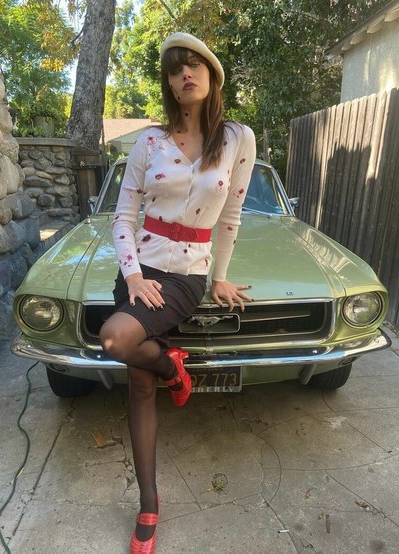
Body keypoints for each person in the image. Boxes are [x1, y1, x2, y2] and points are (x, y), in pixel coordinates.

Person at [99, 32, 256, 554]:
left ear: (211, 75)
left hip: (187, 275)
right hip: (139, 268)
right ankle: (149, 502)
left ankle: (171, 365)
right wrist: (133, 276)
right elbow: (124, 216)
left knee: (117, 340)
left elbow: (230, 216)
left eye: (194, 65)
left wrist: (219, 277)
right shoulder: (148, 142)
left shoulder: (237, 139)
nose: (185, 74)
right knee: (138, 381)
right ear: (168, 83)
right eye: (174, 68)